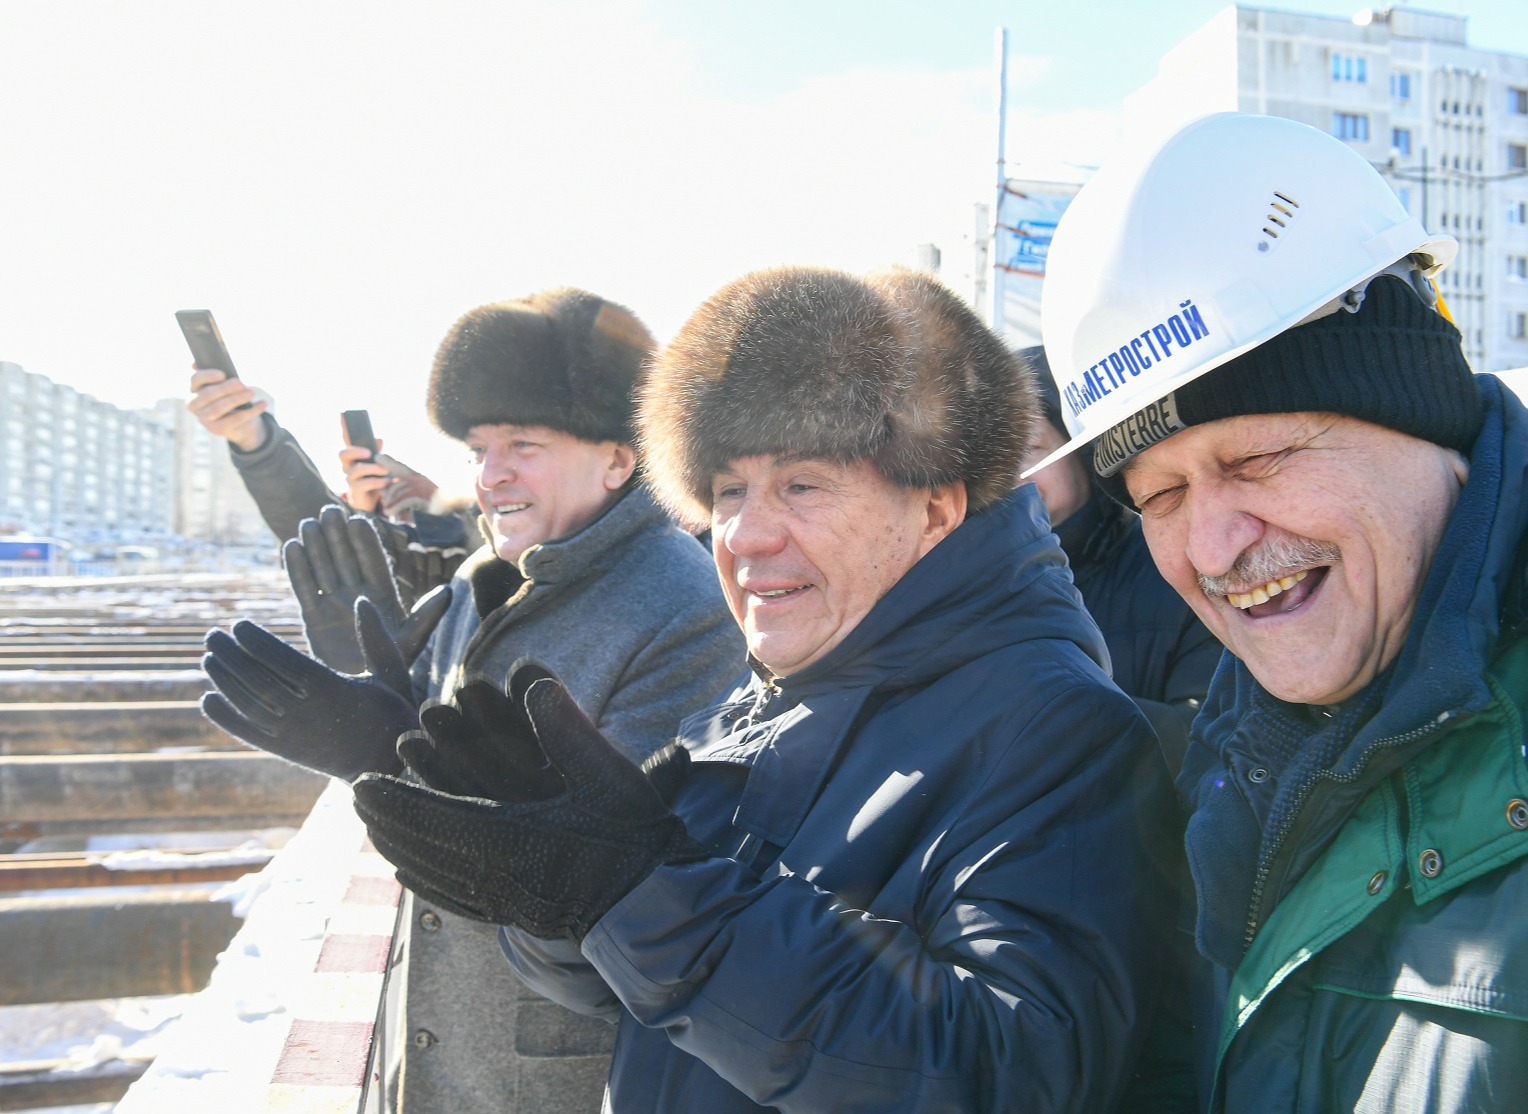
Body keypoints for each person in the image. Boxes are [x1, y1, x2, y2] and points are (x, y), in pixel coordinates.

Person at [350, 266, 1191, 1111]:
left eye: (801, 485)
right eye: (728, 491)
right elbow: (625, 996)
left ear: (936, 508)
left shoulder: (1056, 730)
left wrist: (635, 890)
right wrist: (558, 891)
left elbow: (1004, 1072)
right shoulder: (764, 700)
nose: (745, 535)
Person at [1034, 111, 1528, 1112]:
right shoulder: (1245, 740)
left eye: (1258, 459)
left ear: (1415, 408)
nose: (1212, 548)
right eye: (1160, 496)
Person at [201, 287, 745, 1111]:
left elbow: (621, 880)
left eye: (524, 444)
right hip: (440, 1039)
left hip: (554, 1072)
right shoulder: (482, 576)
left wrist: (385, 754)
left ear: (618, 459)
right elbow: (439, 749)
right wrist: (379, 711)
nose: (491, 476)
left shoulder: (684, 608)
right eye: (478, 449)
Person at [1017, 344, 1221, 770]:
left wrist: (1041, 705)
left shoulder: (1178, 562)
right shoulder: (968, 587)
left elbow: (1215, 736)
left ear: (1081, 451)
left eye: (1029, 448)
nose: (1008, 478)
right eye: (987, 462)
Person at [186, 365, 472, 599]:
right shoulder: (450, 554)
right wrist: (257, 443)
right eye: (480, 450)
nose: (491, 473)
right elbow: (332, 546)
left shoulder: (471, 548)